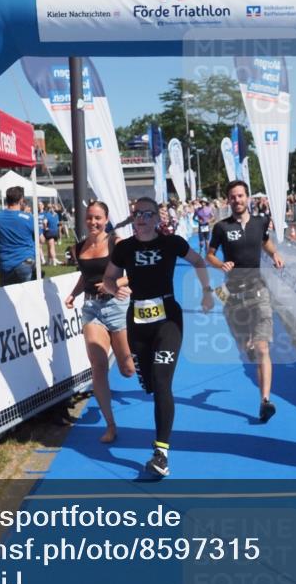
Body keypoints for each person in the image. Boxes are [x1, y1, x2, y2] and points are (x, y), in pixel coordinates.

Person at [103, 196, 214, 477]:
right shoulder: (124, 248)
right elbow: (109, 278)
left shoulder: (171, 243)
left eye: (147, 214)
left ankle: (161, 453)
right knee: (150, 383)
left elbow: (199, 261)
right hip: (138, 321)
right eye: (137, 214)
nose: (141, 219)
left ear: (157, 218)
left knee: (163, 382)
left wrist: (206, 291)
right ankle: (149, 379)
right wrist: (114, 289)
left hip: (168, 320)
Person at [206, 180, 285, 422]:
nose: (237, 200)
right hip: (233, 295)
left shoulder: (261, 222)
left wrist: (274, 253)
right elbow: (209, 254)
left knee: (263, 348)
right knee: (246, 348)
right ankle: (248, 348)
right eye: (233, 197)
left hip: (258, 291)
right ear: (228, 200)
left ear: (247, 198)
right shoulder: (221, 227)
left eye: (241, 196)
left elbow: (264, 241)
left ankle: (265, 401)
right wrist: (221, 264)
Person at [65, 202, 135, 443]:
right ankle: (111, 425)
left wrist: (114, 284)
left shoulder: (117, 244)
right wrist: (74, 294)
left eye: (98, 218)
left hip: (116, 306)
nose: (93, 223)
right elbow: (85, 276)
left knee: (128, 370)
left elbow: (134, 274)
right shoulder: (78, 247)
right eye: (89, 218)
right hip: (91, 309)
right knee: (98, 365)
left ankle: (134, 355)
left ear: (106, 219)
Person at [0, 186, 38, 286]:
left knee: (8, 298)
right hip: (25, 262)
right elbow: (41, 239)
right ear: (21, 200)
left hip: (5, 264)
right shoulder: (28, 218)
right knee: (28, 298)